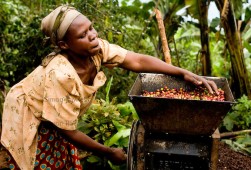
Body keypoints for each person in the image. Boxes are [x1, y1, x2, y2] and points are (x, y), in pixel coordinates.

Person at [1, 5, 219, 170]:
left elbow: (137, 61)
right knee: (37, 159)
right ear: (63, 45)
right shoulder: (60, 75)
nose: (93, 35)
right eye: (83, 35)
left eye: (91, 28)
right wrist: (108, 152)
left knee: (61, 156)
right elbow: (67, 130)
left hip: (54, 116)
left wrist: (182, 72)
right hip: (28, 113)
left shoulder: (95, 50)